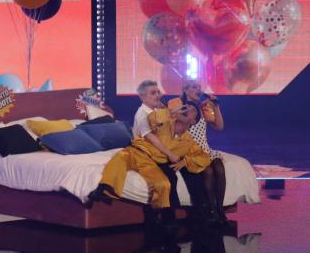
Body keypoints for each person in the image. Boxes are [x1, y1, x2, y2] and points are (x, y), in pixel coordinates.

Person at [90, 105, 210, 223]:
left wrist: (185, 161)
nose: (187, 109)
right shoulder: (163, 122)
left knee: (163, 184)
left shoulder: (188, 142)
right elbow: (151, 119)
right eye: (186, 106)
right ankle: (104, 189)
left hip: (150, 163)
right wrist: (171, 112)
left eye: (192, 110)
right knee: (120, 157)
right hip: (136, 152)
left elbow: (204, 158)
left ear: (193, 121)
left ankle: (160, 219)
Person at [168, 80, 261, 224]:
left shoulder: (203, 108)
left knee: (219, 167)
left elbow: (219, 126)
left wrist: (216, 107)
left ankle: (220, 211)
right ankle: (211, 212)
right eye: (194, 87)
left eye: (199, 87)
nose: (198, 90)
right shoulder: (179, 105)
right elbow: (172, 123)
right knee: (209, 171)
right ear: (186, 90)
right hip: (190, 151)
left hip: (205, 150)